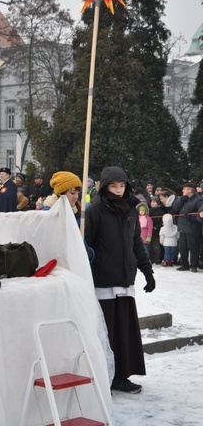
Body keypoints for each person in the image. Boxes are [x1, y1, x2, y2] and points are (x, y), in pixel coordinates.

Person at [85, 166, 155, 394]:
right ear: (105, 186)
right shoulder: (95, 210)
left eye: (121, 185)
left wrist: (147, 271)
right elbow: (86, 245)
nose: (118, 190)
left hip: (125, 279)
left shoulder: (132, 210)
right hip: (103, 280)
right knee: (108, 333)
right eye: (113, 186)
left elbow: (136, 243)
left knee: (125, 333)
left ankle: (122, 376)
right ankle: (106, 375)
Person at [173, 183, 203, 273]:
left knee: (193, 248)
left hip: (193, 228)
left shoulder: (198, 200)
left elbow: (199, 215)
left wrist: (189, 217)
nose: (182, 191)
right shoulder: (183, 199)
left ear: (189, 190)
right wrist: (181, 199)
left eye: (184, 189)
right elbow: (175, 208)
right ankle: (184, 264)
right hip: (182, 227)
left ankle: (194, 265)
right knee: (183, 247)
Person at [149, 196, 165, 264]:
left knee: (156, 247)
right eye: (151, 202)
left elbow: (162, 221)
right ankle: (151, 259)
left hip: (156, 232)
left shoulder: (161, 211)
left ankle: (157, 260)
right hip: (149, 232)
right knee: (150, 246)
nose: (152, 203)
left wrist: (156, 227)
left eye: (154, 202)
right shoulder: (149, 210)